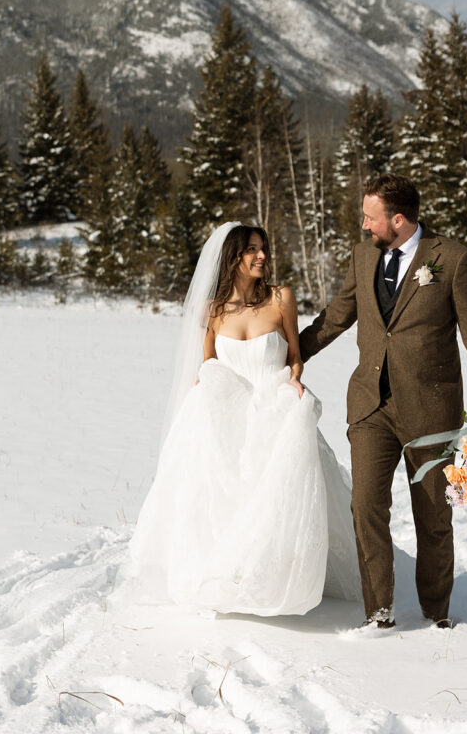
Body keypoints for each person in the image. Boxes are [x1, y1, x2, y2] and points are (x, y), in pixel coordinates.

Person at [299, 174, 467, 629]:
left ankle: (436, 613)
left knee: (433, 516)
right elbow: (336, 317)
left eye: (370, 217)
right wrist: (290, 353)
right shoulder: (362, 256)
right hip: (371, 406)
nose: (363, 225)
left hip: (432, 411)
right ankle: (379, 613)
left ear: (398, 218)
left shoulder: (452, 259)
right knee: (366, 506)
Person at [127, 222, 362, 615]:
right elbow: (208, 364)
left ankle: (272, 576)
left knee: (277, 493)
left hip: (274, 406)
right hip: (228, 413)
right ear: (232, 257)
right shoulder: (212, 310)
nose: (262, 256)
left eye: (264, 248)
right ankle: (224, 572)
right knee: (220, 493)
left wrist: (295, 380)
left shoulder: (280, 297)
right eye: (252, 249)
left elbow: (294, 354)